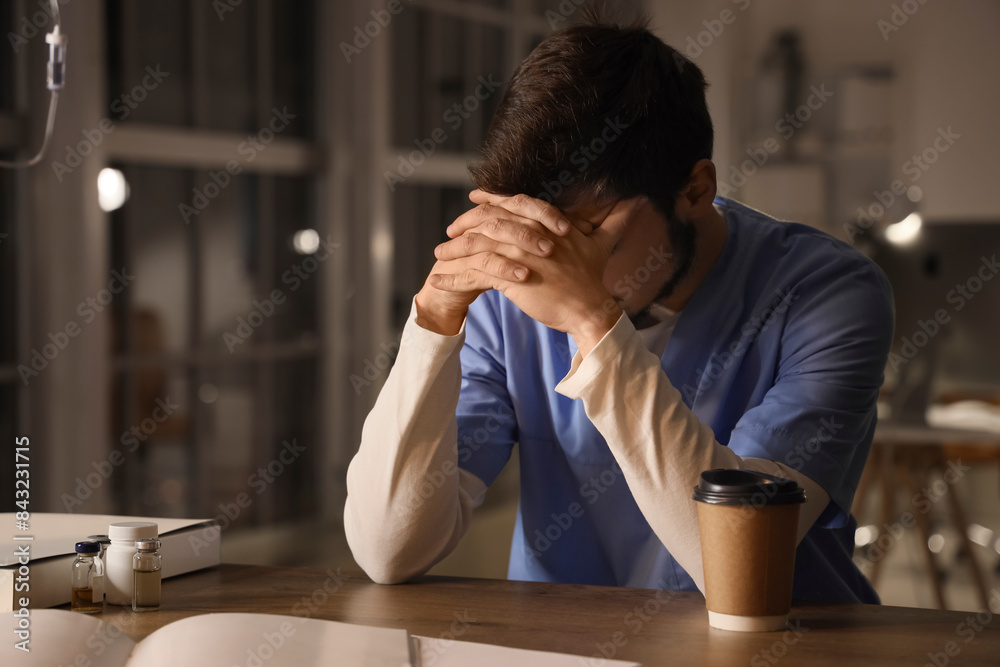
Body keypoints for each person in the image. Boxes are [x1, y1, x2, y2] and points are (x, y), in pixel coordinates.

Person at [344, 10, 893, 604]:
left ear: (695, 190)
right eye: (534, 228)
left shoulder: (828, 293)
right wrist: (433, 324)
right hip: (568, 646)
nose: (554, 264)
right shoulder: (512, 293)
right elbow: (387, 553)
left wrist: (592, 322)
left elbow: (738, 564)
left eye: (588, 232)